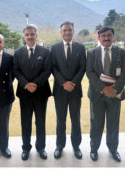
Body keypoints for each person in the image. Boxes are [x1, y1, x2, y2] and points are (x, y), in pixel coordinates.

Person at [86, 27, 125, 162]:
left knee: (113, 124)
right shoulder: (92, 53)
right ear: (98, 38)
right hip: (97, 94)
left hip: (114, 95)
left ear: (113, 37)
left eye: (109, 35)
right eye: (103, 36)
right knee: (96, 123)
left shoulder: (121, 52)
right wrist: (103, 88)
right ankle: (94, 149)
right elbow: (89, 72)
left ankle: (113, 149)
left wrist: (114, 89)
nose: (106, 38)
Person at [13, 24, 51, 161]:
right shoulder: (18, 53)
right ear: (24, 36)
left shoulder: (45, 52)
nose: (30, 37)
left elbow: (47, 70)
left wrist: (35, 84)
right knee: (26, 122)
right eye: (27, 34)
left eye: (32, 34)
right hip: (24, 93)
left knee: (40, 122)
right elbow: (16, 70)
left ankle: (41, 148)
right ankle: (26, 148)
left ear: (36, 35)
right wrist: (26, 84)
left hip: (41, 92)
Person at [50, 21, 86, 159]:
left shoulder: (81, 48)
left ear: (73, 31)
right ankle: (59, 146)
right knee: (61, 119)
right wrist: (64, 83)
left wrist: (73, 83)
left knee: (75, 119)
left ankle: (76, 146)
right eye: (64, 30)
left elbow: (82, 67)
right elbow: (53, 68)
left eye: (69, 30)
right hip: (60, 90)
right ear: (61, 32)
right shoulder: (54, 48)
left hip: (75, 90)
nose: (67, 32)